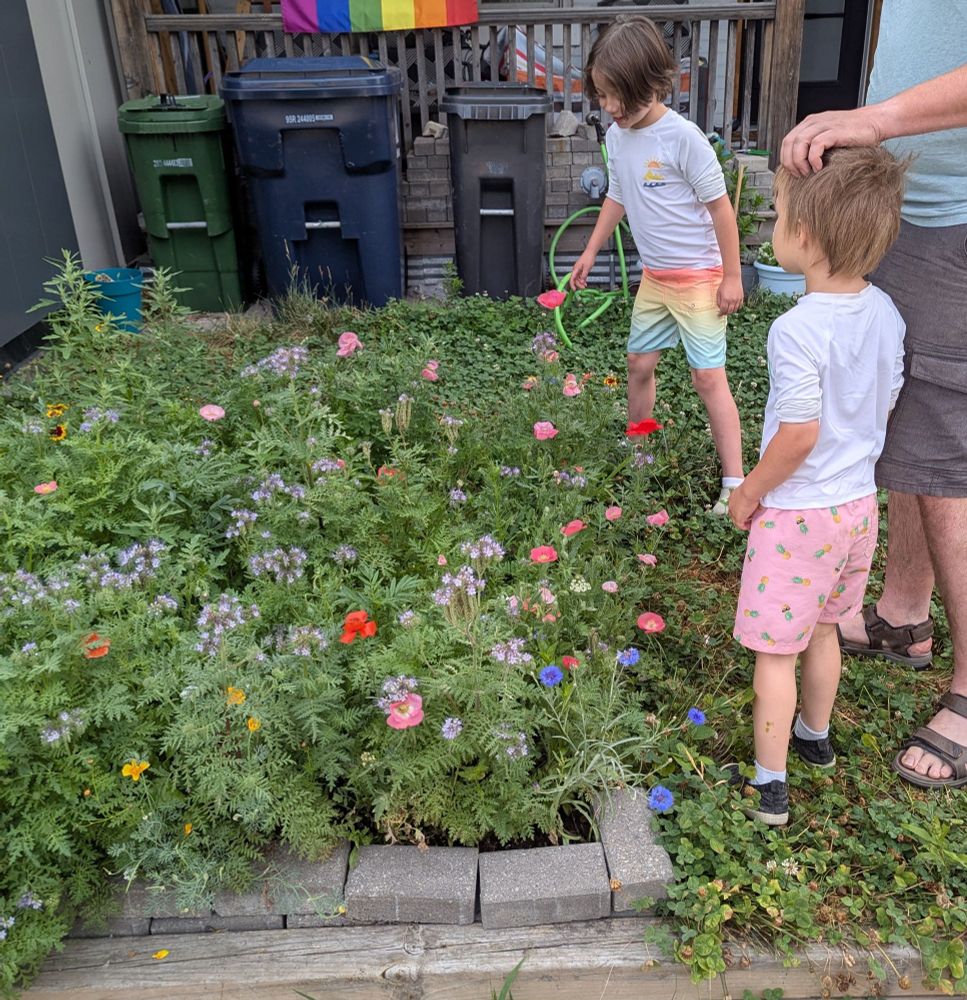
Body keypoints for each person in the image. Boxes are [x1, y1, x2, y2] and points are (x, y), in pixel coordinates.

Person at [781, 4, 967, 790]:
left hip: (958, 219)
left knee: (950, 464)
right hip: (917, 210)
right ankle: (900, 616)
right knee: (915, 435)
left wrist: (879, 120)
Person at [727, 146, 908, 824]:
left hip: (798, 515)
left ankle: (768, 785)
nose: (773, 226)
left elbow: (797, 436)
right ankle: (814, 738)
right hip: (858, 507)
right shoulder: (886, 311)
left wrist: (747, 492)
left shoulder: (795, 328)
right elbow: (885, 402)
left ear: (802, 236)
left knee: (774, 652)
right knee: (827, 627)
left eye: (776, 215)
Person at [570, 15, 745, 516]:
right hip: (655, 280)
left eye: (614, 96)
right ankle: (639, 445)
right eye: (601, 95)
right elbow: (618, 194)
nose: (607, 107)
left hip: (699, 282)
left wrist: (732, 275)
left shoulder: (683, 139)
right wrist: (590, 250)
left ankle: (734, 479)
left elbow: (721, 211)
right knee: (639, 363)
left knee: (708, 378)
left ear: (650, 83)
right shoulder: (617, 137)